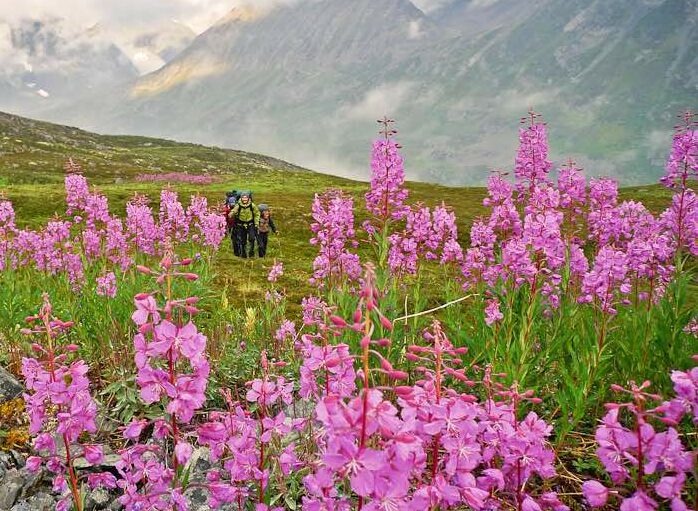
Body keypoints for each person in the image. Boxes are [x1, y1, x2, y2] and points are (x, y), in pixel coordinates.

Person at [229, 191, 260, 258]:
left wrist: (256, 223)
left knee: (252, 238)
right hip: (241, 225)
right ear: (241, 198)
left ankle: (251, 252)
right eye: (243, 198)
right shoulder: (238, 205)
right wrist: (231, 214)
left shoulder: (252, 205)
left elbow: (257, 214)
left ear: (248, 198)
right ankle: (243, 253)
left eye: (246, 198)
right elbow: (234, 210)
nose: (245, 199)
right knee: (243, 240)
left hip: (250, 224)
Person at [224, 191, 239, 256]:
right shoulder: (227, 210)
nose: (232, 205)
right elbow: (226, 218)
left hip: (235, 225)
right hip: (230, 224)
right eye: (231, 204)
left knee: (235, 236)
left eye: (233, 204)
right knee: (231, 233)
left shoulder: (237, 209)